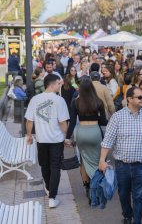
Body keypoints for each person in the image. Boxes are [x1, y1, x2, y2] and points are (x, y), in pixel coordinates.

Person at [99, 87, 142, 224]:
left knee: (139, 196)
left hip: (140, 165)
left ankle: (137, 221)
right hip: (122, 166)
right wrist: (102, 160)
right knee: (123, 195)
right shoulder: (117, 117)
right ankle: (127, 216)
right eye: (139, 97)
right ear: (129, 99)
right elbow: (107, 140)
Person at [25, 74, 70, 208]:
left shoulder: (35, 99)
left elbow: (29, 120)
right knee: (55, 166)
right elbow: (63, 122)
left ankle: (50, 190)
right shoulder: (59, 100)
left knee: (45, 165)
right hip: (56, 139)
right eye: (58, 83)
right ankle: (52, 197)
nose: (60, 85)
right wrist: (66, 136)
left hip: (41, 139)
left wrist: (28, 135)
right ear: (52, 84)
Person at [67, 77, 107, 204]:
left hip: (82, 133)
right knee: (97, 161)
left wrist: (67, 137)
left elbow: (72, 122)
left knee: (83, 162)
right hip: (95, 132)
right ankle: (97, 189)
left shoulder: (75, 102)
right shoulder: (99, 102)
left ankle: (88, 188)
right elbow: (104, 121)